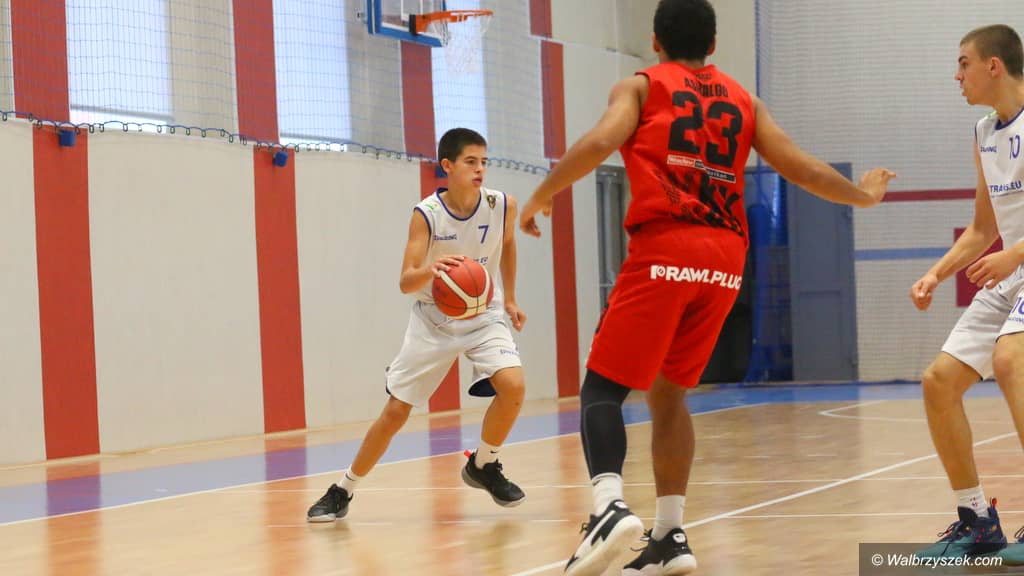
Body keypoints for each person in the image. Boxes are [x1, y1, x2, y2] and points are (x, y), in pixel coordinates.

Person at [518, 1, 895, 574]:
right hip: (724, 261)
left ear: (655, 40)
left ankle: (607, 509)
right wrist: (861, 196)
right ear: (713, 45)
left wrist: (543, 192)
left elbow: (598, 143)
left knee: (601, 389)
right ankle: (669, 535)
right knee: (668, 394)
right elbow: (797, 166)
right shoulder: (744, 100)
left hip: (667, 246)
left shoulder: (641, 86)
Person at [307, 127, 529, 522]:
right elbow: (406, 281)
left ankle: (484, 464)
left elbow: (508, 244)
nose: (480, 169)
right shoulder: (426, 214)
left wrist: (509, 298)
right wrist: (432, 269)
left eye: (484, 162)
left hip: (483, 313)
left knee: (513, 385)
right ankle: (343, 489)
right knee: (396, 412)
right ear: (447, 165)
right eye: (471, 162)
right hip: (434, 319)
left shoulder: (501, 205)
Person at [909, 24, 1024, 565]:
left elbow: (1004, 246)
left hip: (1018, 265)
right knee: (938, 382)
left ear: (993, 65)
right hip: (1011, 275)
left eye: (963, 63)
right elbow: (983, 228)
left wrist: (1014, 255)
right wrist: (936, 273)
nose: (957, 76)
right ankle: (978, 523)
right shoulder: (984, 132)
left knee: (1010, 360)